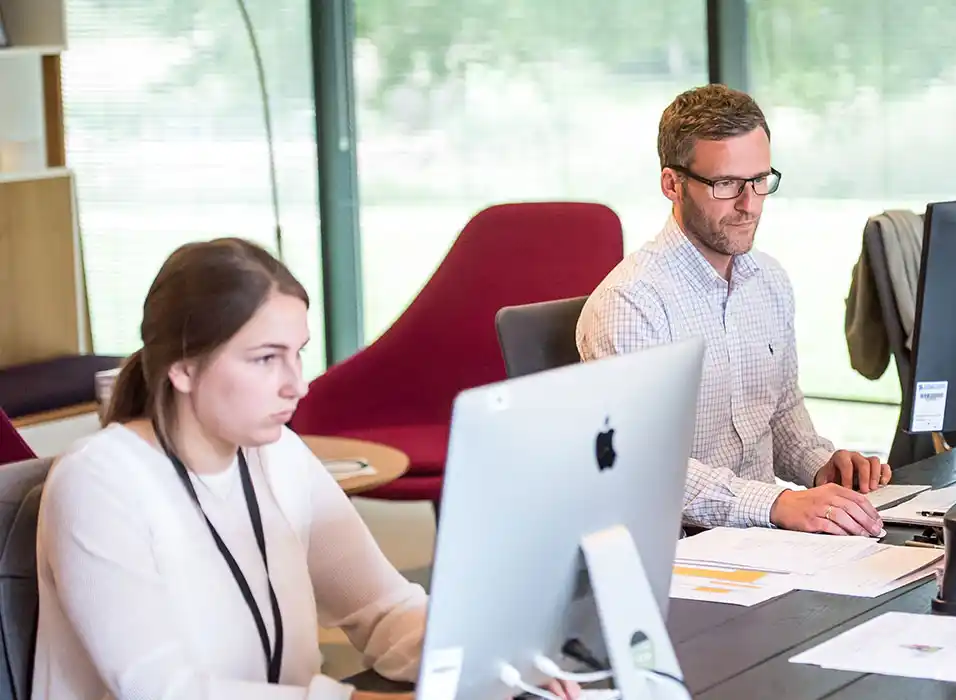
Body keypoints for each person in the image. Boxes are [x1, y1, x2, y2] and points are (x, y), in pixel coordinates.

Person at [33, 239, 578, 700]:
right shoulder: (100, 482)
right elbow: (166, 690)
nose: (297, 384)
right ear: (182, 367)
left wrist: (501, 663)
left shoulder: (277, 454)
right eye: (266, 358)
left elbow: (384, 609)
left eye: (299, 354)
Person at [576, 84, 890, 536]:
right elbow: (645, 464)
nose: (750, 205)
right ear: (672, 184)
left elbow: (780, 413)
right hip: (682, 553)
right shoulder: (632, 303)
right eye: (726, 185)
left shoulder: (769, 281)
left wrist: (823, 469)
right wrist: (778, 503)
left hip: (764, 543)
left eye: (760, 180)